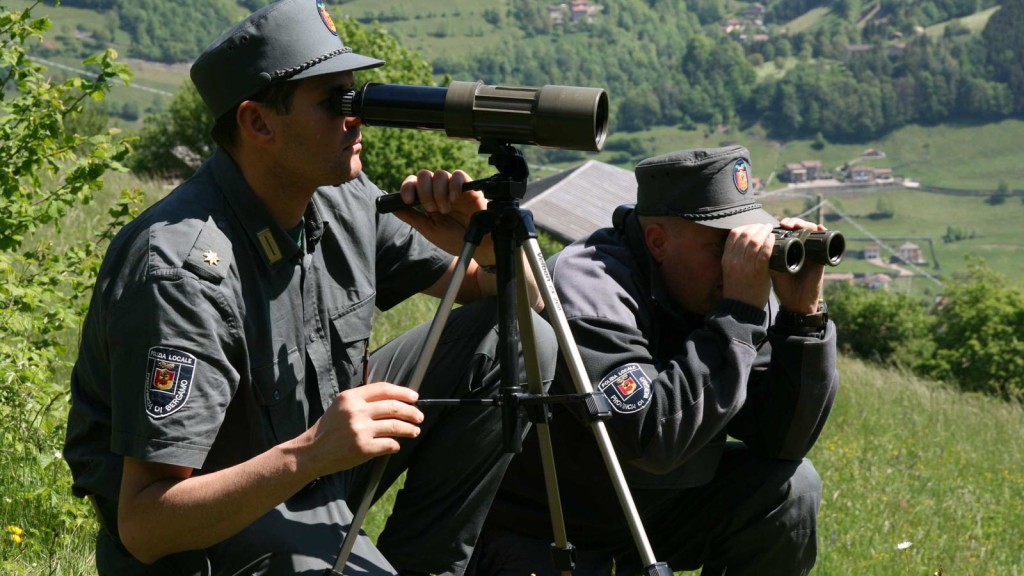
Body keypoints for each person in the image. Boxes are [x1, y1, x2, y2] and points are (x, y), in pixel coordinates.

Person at [62, 1, 553, 574]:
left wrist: (495, 250)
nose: (356, 119)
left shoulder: (343, 197)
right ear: (259, 123)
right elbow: (146, 527)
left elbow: (517, 302)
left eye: (356, 97)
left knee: (519, 341)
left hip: (319, 465)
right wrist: (311, 454)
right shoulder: (182, 272)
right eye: (333, 103)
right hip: (206, 537)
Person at [468, 145, 840, 575]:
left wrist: (802, 320)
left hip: (651, 516)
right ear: (658, 242)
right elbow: (650, 439)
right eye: (724, 245)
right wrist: (737, 319)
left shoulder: (730, 291)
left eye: (749, 239)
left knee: (792, 487)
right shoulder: (590, 286)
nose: (741, 261)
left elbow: (782, 441)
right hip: (551, 529)